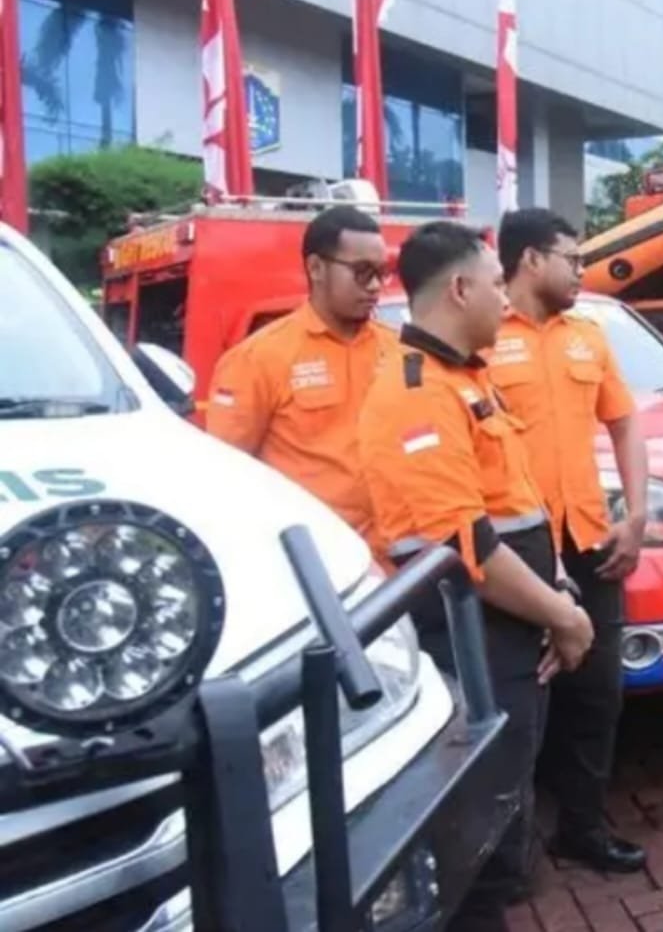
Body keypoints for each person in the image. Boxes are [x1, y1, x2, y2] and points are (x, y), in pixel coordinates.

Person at [357, 221, 595, 931]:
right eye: (496, 285)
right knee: (475, 843)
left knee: (508, 810)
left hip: (518, 631)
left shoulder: (469, 377)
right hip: (475, 642)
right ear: (459, 288)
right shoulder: (415, 394)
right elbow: (467, 548)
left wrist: (558, 595)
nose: (504, 299)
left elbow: (515, 502)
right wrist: (562, 613)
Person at [488, 208, 650, 875]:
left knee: (597, 692)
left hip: (588, 537)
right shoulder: (480, 333)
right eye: (571, 258)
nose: (581, 269)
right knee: (516, 701)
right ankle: (506, 848)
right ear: (530, 260)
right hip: (515, 547)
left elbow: (625, 422)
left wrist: (635, 515)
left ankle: (582, 825)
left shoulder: (589, 335)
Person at [207, 205, 397, 548]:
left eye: (381, 273)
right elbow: (225, 475)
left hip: (398, 560)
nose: (374, 286)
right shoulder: (259, 358)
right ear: (316, 268)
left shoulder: (397, 350)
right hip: (317, 563)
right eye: (362, 271)